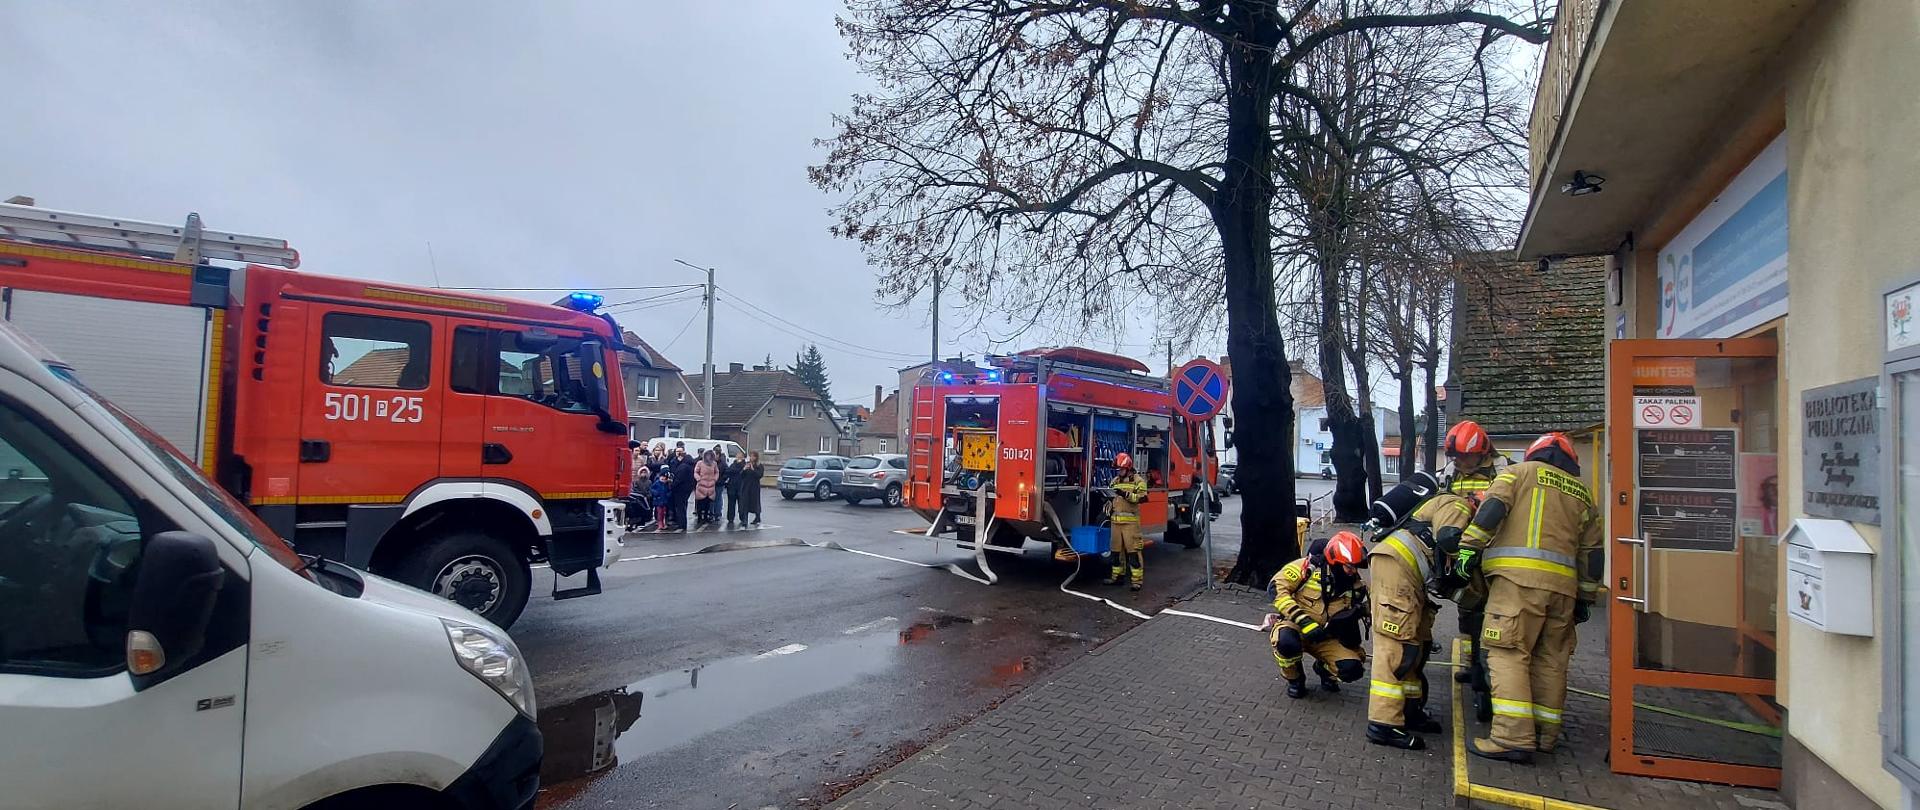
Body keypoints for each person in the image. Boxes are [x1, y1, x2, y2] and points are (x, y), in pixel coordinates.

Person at [1456, 432, 1603, 764]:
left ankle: (1511, 737)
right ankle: (1544, 735)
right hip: (1563, 591)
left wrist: (1468, 549)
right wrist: (1586, 598)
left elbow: (1492, 510)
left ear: (1533, 453)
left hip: (1517, 584)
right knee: (1551, 660)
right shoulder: (1583, 494)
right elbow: (1593, 554)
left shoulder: (1517, 473)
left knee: (1507, 653)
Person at [1363, 436, 1489, 751]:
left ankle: (1410, 711)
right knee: (1397, 648)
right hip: (1397, 570)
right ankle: (1383, 724)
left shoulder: (1443, 502)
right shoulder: (1456, 503)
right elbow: (1448, 538)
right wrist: (1463, 564)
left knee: (1417, 645)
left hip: (1406, 574)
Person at [1429, 420, 1502, 721]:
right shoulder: (1450, 473)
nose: (1459, 462)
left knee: (1493, 615)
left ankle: (1490, 676)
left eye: (1464, 457)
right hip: (1461, 552)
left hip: (1493, 551)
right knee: (1468, 610)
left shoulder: (1504, 470)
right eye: (1454, 456)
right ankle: (1473, 665)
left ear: (1482, 452)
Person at [1268, 531, 1368, 699]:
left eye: (1356, 567)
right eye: (1349, 566)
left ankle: (1324, 670)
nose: (1353, 571)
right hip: (1296, 627)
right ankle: (1295, 679)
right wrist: (1304, 621)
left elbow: (1370, 608)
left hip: (1326, 637)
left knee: (1353, 669)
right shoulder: (1305, 568)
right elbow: (1276, 589)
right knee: (1286, 643)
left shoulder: (1356, 586)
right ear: (1336, 562)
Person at [1103, 452, 1148, 591]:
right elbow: (1111, 497)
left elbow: (1143, 498)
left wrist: (1125, 494)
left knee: (1133, 553)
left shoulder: (1138, 481)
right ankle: (1117, 577)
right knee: (1115, 553)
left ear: (1128, 468)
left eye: (1121, 469)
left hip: (1130, 524)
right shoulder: (1116, 480)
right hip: (1116, 523)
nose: (1119, 472)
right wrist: (1108, 503)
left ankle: (1137, 581)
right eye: (1117, 470)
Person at [669, 451, 696, 531]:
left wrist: (672, 485)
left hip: (680, 490)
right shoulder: (691, 465)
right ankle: (682, 523)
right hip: (687, 489)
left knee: (680, 507)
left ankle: (681, 524)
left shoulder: (683, 466)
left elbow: (678, 479)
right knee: (683, 506)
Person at [693, 450, 720, 527]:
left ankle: (705, 517)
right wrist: (698, 479)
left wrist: (715, 479)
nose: (709, 457)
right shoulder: (700, 463)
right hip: (701, 484)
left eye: (710, 455)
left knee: (707, 503)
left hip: (711, 485)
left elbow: (717, 472)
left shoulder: (714, 464)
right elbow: (696, 472)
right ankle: (699, 517)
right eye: (707, 455)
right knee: (700, 503)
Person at [628, 458, 653, 530]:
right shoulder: (636, 482)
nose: (643, 474)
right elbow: (635, 489)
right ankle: (637, 522)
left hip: (647, 498)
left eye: (645, 473)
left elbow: (650, 489)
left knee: (647, 509)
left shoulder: (649, 482)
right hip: (639, 498)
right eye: (642, 472)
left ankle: (644, 521)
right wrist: (641, 494)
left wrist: (648, 495)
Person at [724, 452, 748, 526]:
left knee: (741, 504)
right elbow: (728, 471)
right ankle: (730, 518)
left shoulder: (745, 464)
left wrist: (737, 470)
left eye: (739, 455)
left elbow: (743, 472)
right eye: (737, 455)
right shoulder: (733, 464)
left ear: (743, 457)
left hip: (741, 486)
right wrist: (736, 470)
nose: (738, 456)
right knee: (731, 503)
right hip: (731, 486)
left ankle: (743, 518)